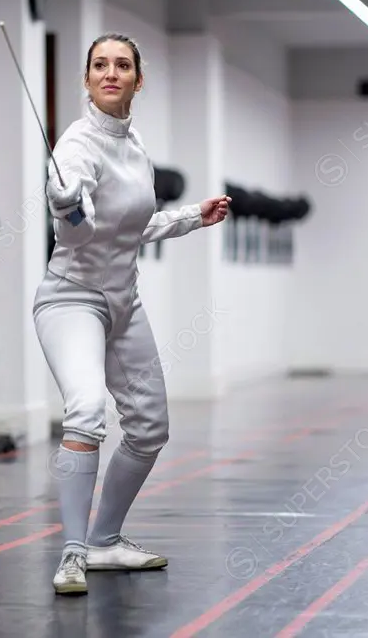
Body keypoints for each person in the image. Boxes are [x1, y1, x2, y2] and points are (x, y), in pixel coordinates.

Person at [34, 33, 231, 595]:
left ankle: (103, 541)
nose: (111, 73)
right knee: (88, 408)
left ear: (138, 80)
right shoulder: (76, 146)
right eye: (99, 65)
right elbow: (76, 221)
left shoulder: (135, 144)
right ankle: (71, 554)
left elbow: (130, 227)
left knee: (149, 426)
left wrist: (192, 216)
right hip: (71, 298)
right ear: (88, 78)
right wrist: (67, 204)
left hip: (124, 300)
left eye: (122, 65)